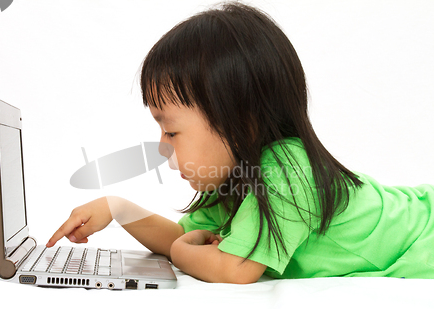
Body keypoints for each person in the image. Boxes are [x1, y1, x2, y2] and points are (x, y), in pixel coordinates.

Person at [46, 2, 434, 282]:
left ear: (241, 121)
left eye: (172, 131)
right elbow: (185, 239)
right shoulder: (234, 180)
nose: (163, 147)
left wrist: (183, 253)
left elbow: (234, 267)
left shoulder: (287, 167)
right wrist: (118, 209)